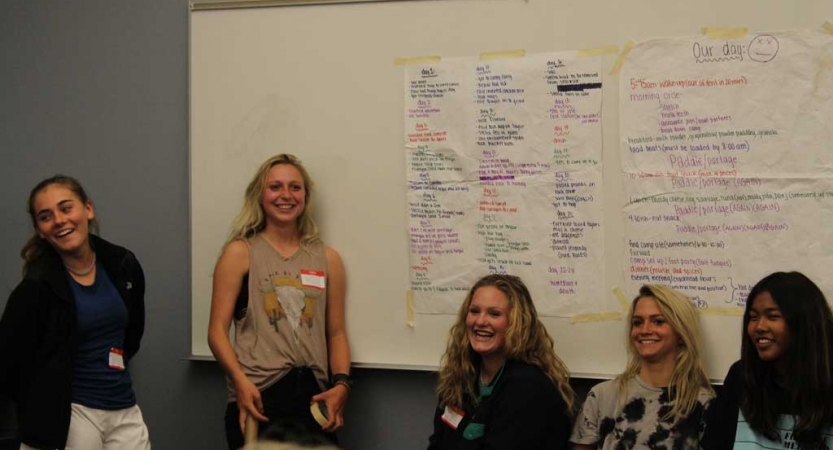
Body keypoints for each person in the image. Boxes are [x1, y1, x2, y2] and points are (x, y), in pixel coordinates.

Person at [208, 154, 351, 450]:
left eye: (295, 187)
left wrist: (341, 386)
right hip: (258, 396)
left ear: (305, 196)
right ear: (260, 195)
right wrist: (240, 384)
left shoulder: (328, 259)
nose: (286, 195)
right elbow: (216, 332)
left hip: (314, 400)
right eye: (275, 187)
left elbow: (336, 333)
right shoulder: (240, 253)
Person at [0, 175, 149, 450]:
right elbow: (9, 365)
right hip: (68, 416)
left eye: (66, 208)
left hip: (123, 407)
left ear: (88, 209)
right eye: (46, 217)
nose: (59, 220)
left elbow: (131, 336)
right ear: (40, 230)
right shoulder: (36, 288)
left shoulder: (123, 265)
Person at [427, 274, 576, 450]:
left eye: (494, 313)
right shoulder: (461, 375)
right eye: (474, 311)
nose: (480, 321)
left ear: (517, 323)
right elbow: (437, 443)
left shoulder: (529, 388)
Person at [570, 285, 713, 450]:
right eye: (637, 323)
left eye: (658, 322)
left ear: (681, 332)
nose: (644, 330)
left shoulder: (702, 404)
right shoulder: (602, 396)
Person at [701, 272, 833, 450]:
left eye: (773, 316)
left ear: (803, 323)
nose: (759, 327)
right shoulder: (741, 376)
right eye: (753, 317)